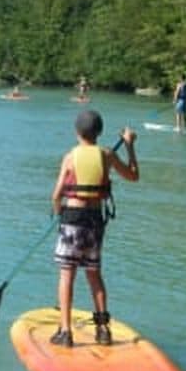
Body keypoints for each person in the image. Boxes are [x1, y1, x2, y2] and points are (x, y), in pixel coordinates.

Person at [49, 110, 139, 347]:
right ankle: (103, 330)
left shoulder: (69, 157)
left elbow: (57, 195)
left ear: (76, 132)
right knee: (94, 274)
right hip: (95, 220)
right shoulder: (108, 154)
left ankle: (66, 332)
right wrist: (129, 146)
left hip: (72, 218)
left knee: (67, 275)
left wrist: (57, 212)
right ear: (99, 132)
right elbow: (133, 176)